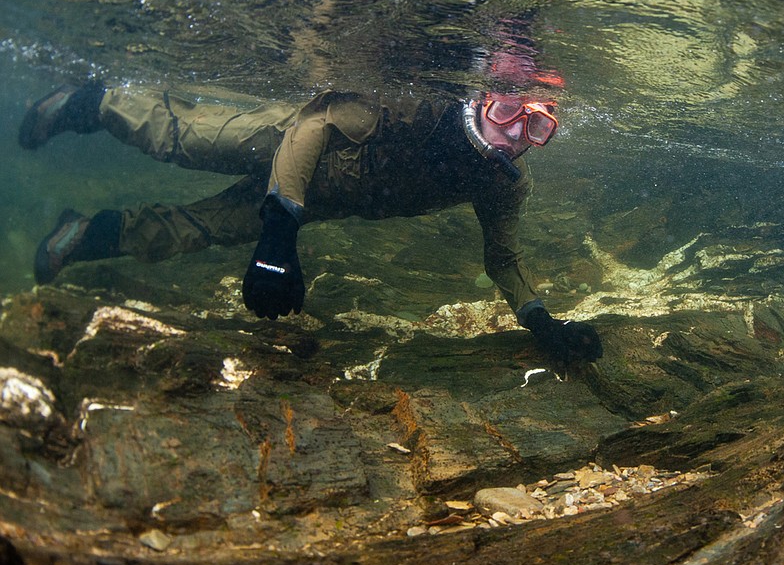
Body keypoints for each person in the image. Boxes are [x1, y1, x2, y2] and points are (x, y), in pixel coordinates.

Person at [17, 80, 602, 370]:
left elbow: (502, 258)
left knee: (204, 227)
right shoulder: (419, 104)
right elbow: (315, 125)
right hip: (285, 142)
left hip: (312, 201)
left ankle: (89, 233)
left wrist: (538, 320)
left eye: (536, 129)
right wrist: (278, 229)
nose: (512, 134)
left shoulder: (503, 184)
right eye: (506, 111)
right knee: (181, 138)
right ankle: (87, 102)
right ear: (481, 99)